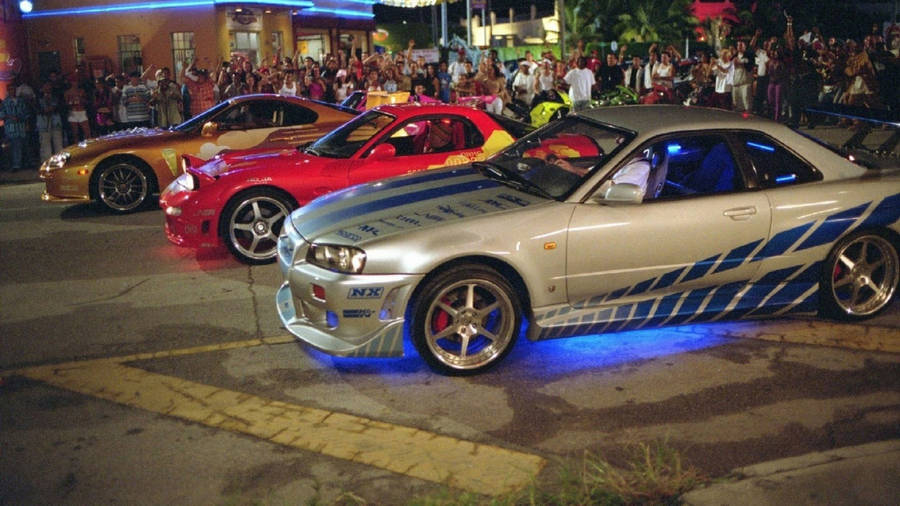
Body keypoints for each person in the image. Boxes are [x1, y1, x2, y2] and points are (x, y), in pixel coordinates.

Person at [0, 82, 32, 171]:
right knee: (14, 146)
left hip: (21, 127)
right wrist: (9, 117)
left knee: (25, 145)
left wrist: (26, 124)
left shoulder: (21, 101)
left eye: (13, 89)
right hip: (11, 128)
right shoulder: (5, 103)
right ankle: (16, 165)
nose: (11, 91)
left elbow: (26, 114)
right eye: (10, 89)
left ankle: (25, 163)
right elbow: (1, 115)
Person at [37, 81, 64, 162]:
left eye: (49, 86)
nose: (47, 88)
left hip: (55, 122)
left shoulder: (56, 97)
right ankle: (47, 161)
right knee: (45, 144)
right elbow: (35, 108)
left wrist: (53, 108)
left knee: (58, 143)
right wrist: (44, 110)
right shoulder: (38, 97)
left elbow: (61, 106)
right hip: (44, 123)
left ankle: (59, 161)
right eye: (45, 86)